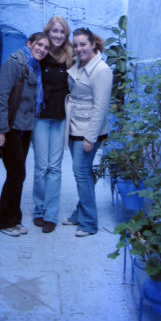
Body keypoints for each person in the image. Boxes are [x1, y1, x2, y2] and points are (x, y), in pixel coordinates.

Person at [0, 32, 50, 237]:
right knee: (17, 174)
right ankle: (4, 222)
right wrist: (1, 130)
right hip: (11, 128)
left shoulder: (33, 66)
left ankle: (13, 220)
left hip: (25, 128)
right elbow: (1, 97)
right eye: (39, 44)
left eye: (46, 47)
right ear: (29, 43)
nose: (42, 49)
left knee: (16, 174)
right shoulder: (15, 63)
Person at [63, 27, 113, 237]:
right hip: (75, 125)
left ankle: (89, 223)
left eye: (83, 44)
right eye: (76, 44)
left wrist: (90, 138)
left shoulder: (102, 70)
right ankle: (79, 212)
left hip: (88, 131)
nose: (79, 48)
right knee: (83, 173)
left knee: (81, 172)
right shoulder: (77, 64)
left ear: (93, 44)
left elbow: (101, 107)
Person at [32, 16, 73, 233]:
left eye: (62, 32)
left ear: (66, 35)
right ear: (48, 32)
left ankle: (50, 214)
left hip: (60, 119)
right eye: (54, 31)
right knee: (41, 168)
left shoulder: (70, 57)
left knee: (54, 168)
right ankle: (38, 210)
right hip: (40, 118)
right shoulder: (40, 55)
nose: (57, 35)